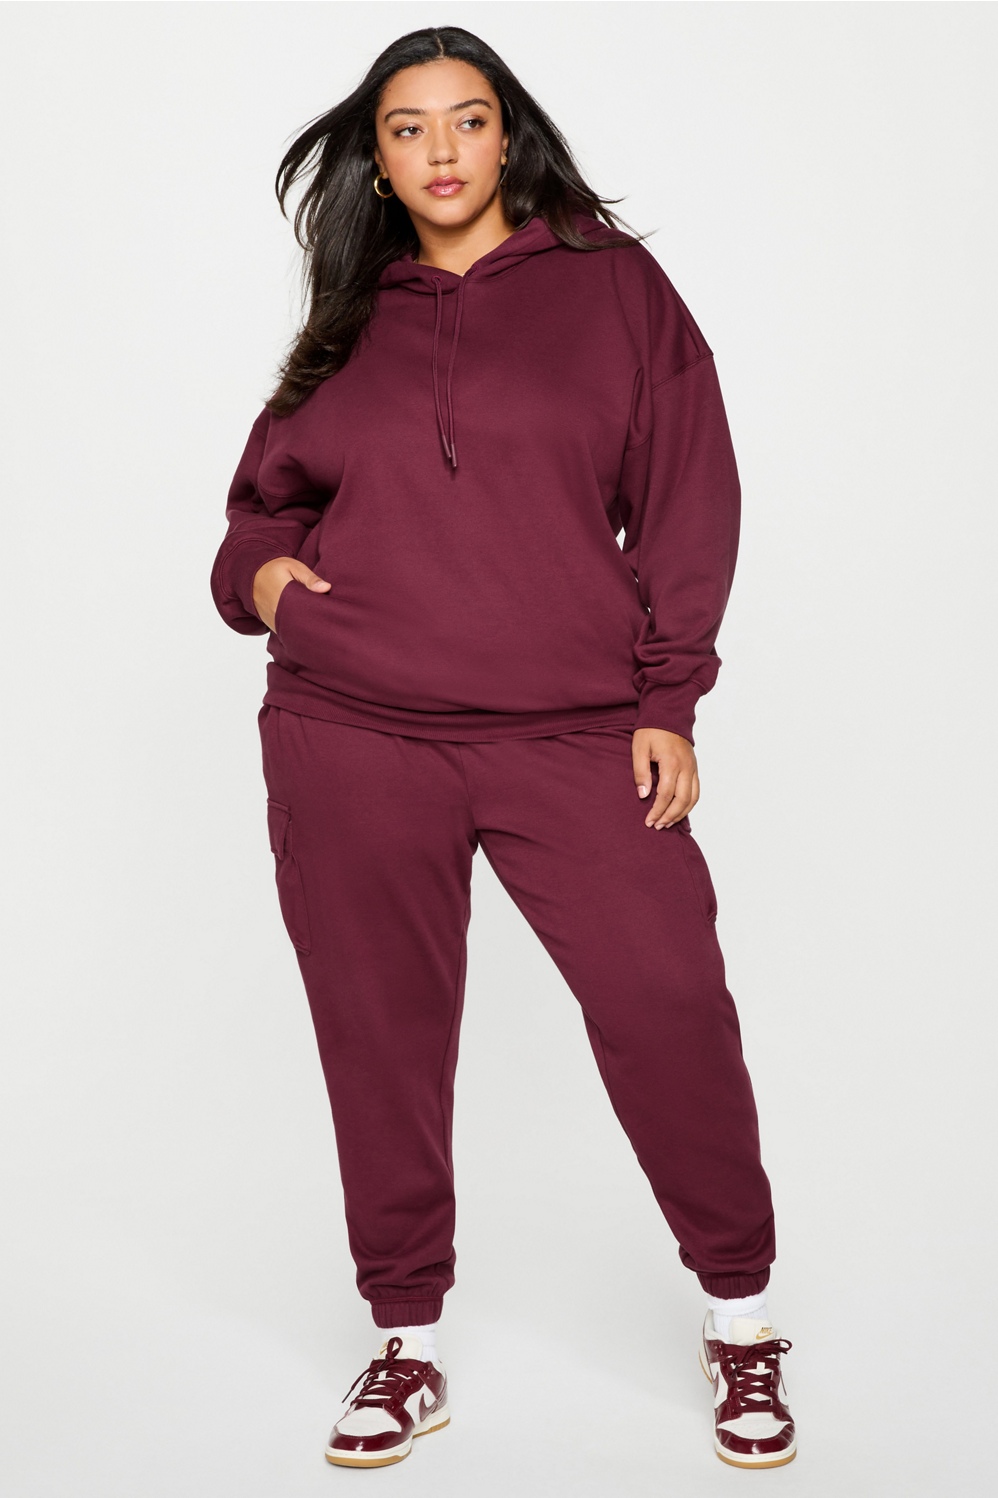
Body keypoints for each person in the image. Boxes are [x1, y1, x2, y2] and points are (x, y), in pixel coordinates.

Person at [209, 24, 796, 1473]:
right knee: (381, 1034)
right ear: (377, 160)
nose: (442, 150)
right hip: (352, 729)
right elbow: (259, 506)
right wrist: (268, 580)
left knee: (667, 1000)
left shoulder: (614, 289)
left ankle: (740, 1314)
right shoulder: (353, 307)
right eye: (408, 128)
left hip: (570, 729)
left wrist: (668, 699)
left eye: (467, 120)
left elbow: (691, 499)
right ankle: (404, 1339)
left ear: (508, 134)